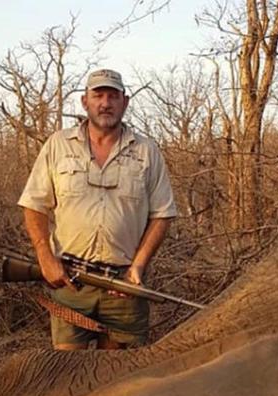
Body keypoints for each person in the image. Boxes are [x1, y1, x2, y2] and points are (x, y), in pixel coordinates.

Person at [18, 68, 177, 349]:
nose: (106, 103)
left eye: (113, 96)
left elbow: (162, 213)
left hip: (124, 287)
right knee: (67, 374)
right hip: (70, 283)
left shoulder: (146, 151)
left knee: (121, 380)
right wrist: (45, 258)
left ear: (124, 102)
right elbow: (34, 205)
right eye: (99, 95)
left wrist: (138, 266)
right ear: (85, 102)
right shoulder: (57, 145)